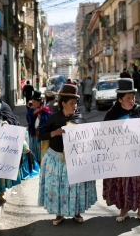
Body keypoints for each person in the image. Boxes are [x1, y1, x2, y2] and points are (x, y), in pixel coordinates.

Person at [38, 84, 97, 226]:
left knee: (76, 187)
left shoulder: (80, 118)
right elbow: (41, 134)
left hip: (75, 161)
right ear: (63, 104)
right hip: (57, 159)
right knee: (58, 188)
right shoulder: (54, 119)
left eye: (76, 103)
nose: (74, 106)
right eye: (71, 103)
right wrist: (54, 133)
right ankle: (59, 215)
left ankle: (77, 212)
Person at [102, 79, 140, 224]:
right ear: (120, 99)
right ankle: (123, 210)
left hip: (139, 157)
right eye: (128, 98)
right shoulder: (111, 115)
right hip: (121, 158)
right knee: (122, 183)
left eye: (133, 97)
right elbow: (103, 135)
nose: (132, 100)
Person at [26, 91, 52, 164]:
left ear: (39, 101)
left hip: (41, 135)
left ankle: (41, 163)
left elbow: (48, 121)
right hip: (34, 134)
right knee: (33, 151)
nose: (33, 104)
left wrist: (41, 118)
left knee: (41, 151)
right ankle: (34, 163)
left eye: (35, 102)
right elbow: (28, 118)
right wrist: (32, 113)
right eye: (32, 102)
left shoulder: (45, 109)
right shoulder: (32, 109)